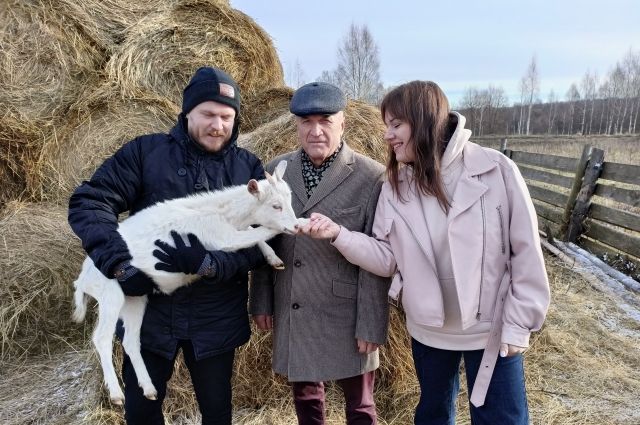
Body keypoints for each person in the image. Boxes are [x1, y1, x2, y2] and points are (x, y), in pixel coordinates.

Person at [302, 80, 550, 425]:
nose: (388, 135)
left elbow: (526, 254)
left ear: (424, 120)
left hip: (492, 328)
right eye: (386, 126)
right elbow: (387, 258)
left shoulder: (495, 171)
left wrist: (520, 323)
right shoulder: (395, 186)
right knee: (433, 415)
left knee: (502, 418)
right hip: (429, 330)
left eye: (396, 125)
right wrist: (339, 235)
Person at [68, 66, 267, 425]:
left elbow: (262, 240)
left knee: (217, 414)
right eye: (208, 114)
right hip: (149, 316)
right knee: (142, 413)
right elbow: (90, 202)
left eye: (226, 116)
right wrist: (118, 265)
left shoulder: (246, 169)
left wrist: (212, 263)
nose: (217, 125)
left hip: (215, 316)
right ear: (187, 111)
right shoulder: (147, 154)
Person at [250, 82, 391, 425]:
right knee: (307, 402)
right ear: (295, 125)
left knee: (360, 408)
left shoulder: (371, 176)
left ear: (343, 122)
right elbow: (263, 240)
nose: (315, 131)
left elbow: (376, 257)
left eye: (325, 121)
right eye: (306, 122)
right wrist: (262, 300)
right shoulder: (276, 170)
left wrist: (371, 322)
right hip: (294, 305)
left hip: (347, 313)